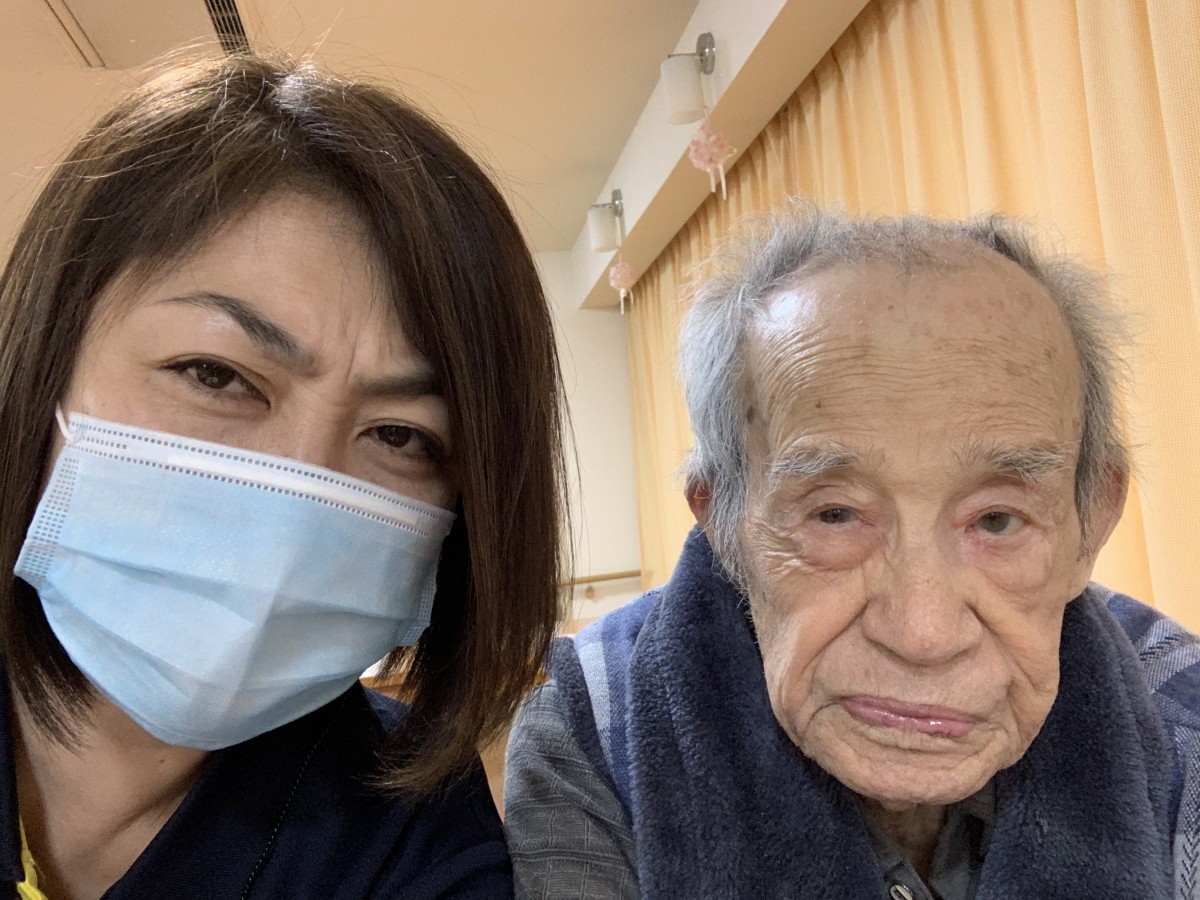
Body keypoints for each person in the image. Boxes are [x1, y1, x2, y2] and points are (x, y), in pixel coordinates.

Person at [504, 206, 1200, 899]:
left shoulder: (1182, 714)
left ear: (1091, 523)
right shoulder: (594, 731)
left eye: (997, 521)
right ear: (724, 524)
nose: (923, 634)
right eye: (834, 515)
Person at [0, 51, 567, 898]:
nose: (290, 505)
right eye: (216, 375)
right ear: (43, 364)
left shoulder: (417, 839)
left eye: (401, 436)